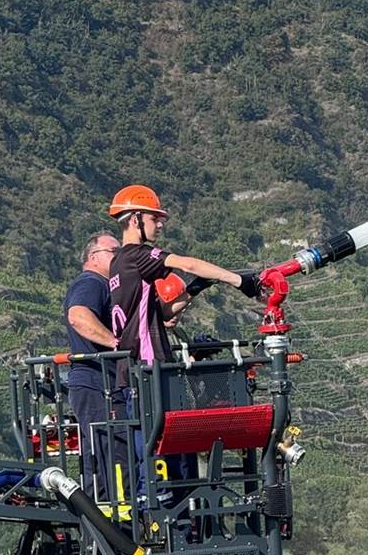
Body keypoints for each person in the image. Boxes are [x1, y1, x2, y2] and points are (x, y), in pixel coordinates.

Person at [106, 185, 262, 495]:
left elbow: (162, 314)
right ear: (135, 219)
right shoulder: (136, 255)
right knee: (155, 450)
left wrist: (195, 288)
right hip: (146, 369)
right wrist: (238, 280)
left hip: (136, 370)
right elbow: (186, 262)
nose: (160, 225)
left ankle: (161, 504)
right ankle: (158, 505)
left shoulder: (119, 265)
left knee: (154, 445)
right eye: (155, 218)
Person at [62, 232, 128, 500]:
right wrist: (116, 344)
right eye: (114, 251)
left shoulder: (105, 287)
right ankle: (117, 524)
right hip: (98, 383)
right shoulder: (92, 283)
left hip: (99, 384)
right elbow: (78, 315)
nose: (120, 256)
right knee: (112, 454)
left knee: (104, 454)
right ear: (93, 257)